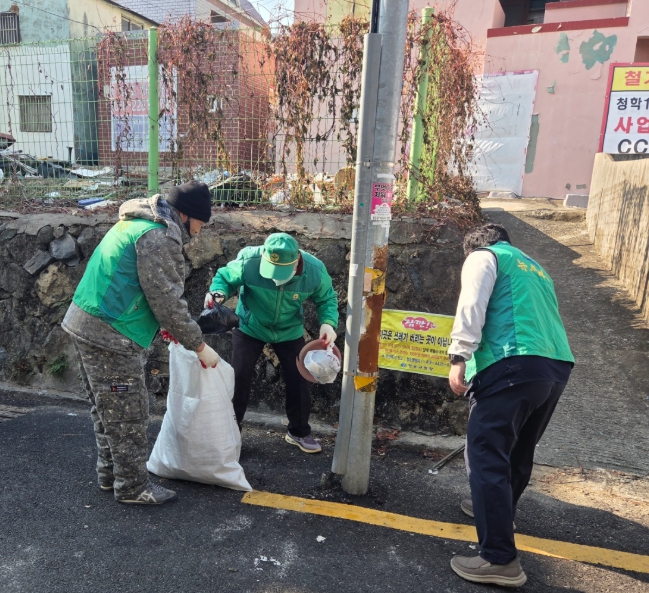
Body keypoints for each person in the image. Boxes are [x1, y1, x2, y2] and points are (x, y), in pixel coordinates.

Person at [62, 181, 220, 505]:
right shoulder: (159, 236)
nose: (201, 230)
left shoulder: (136, 222)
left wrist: (173, 329)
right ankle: (132, 487)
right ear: (187, 215)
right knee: (128, 414)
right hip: (110, 332)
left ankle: (111, 474)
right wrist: (200, 346)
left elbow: (139, 287)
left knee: (106, 407)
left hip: (85, 321)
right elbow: (166, 302)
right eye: (202, 223)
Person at [447, 223, 574, 587]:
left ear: (474, 247)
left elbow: (472, 304)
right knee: (517, 451)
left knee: (485, 454)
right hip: (554, 366)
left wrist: (459, 355)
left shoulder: (483, 257)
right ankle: (499, 512)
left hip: (511, 363)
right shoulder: (535, 267)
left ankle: (499, 559)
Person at [205, 232, 339, 453]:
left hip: (289, 330)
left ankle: (299, 432)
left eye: (281, 272)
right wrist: (218, 293)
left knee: (299, 380)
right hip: (251, 325)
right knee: (237, 378)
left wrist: (328, 323)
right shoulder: (249, 260)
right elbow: (225, 278)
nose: (276, 278)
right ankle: (230, 436)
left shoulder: (314, 270)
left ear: (296, 261)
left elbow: (326, 298)